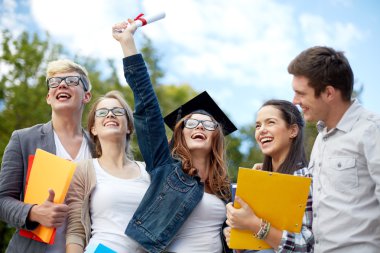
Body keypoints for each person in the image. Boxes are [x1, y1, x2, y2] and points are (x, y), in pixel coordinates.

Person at [112, 20, 237, 253]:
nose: (199, 126)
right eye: (192, 123)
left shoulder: (225, 189)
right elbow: (147, 108)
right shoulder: (165, 169)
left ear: (216, 137)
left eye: (207, 124)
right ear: (181, 133)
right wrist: (128, 44)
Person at [288, 46, 380, 252]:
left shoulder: (372, 130)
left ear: (329, 92)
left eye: (301, 93)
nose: (295, 101)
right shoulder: (321, 139)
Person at [0, 59, 93, 253]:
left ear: (86, 95)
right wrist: (33, 212)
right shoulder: (23, 140)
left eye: (72, 80)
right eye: (54, 82)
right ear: (48, 97)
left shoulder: (99, 147)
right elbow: (2, 200)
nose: (62, 84)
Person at [224, 100, 314, 253]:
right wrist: (236, 237)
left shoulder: (305, 178)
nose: (261, 130)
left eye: (270, 122)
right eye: (258, 126)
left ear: (293, 131)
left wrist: (255, 225)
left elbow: (308, 246)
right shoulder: (256, 180)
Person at [65, 90, 150, 253]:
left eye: (118, 111)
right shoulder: (84, 169)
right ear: (93, 129)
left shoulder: (148, 171)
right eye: (102, 112)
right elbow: (76, 231)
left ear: (129, 127)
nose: (110, 115)